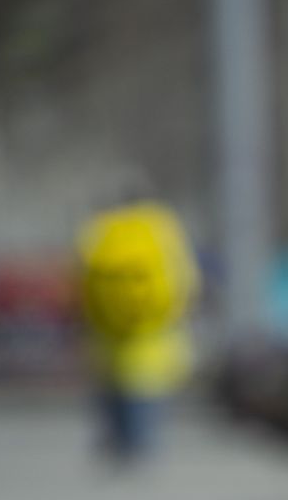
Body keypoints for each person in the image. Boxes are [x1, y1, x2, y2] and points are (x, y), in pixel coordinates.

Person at [75, 195, 199, 463]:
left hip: (108, 332)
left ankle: (120, 442)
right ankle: (141, 445)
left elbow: (80, 280)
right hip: (154, 330)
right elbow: (185, 278)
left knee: (113, 386)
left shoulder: (100, 229)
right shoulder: (162, 226)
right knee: (147, 388)